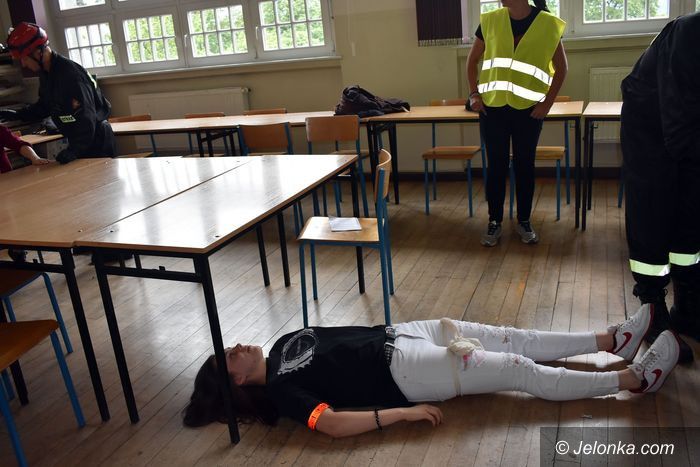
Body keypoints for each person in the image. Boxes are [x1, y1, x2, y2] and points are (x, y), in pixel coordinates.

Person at [183, 305, 680, 437]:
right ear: (238, 380)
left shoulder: (281, 344)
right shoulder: (282, 391)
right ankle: (634, 379)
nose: (238, 346)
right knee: (518, 369)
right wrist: (400, 414)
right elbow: (329, 423)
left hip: (404, 333)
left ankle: (612, 341)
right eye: (231, 356)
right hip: (407, 373)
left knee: (514, 337)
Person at [620, 12, 699, 365]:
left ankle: (689, 308)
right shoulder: (689, 35)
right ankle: (652, 311)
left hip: (688, 130)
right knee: (652, 213)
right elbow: (677, 126)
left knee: (691, 213)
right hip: (649, 128)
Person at [466, 0, 567, 247]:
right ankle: (494, 221)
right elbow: (472, 61)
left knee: (524, 166)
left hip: (528, 112)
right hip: (493, 109)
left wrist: (546, 105)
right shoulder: (490, 20)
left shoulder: (548, 23)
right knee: (496, 167)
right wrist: (474, 94)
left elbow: (562, 69)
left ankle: (524, 220)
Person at [0, 22, 116, 163]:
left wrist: (74, 150)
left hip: (96, 141)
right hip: (79, 140)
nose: (24, 64)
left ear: (38, 52)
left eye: (24, 58)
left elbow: (86, 117)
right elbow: (44, 107)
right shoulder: (47, 74)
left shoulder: (70, 75)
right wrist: (17, 115)